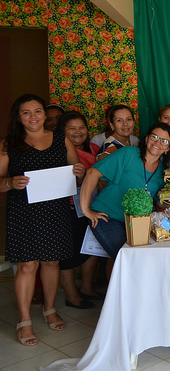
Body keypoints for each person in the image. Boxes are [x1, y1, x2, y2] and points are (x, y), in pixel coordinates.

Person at [1, 94, 86, 345]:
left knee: (51, 262)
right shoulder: (10, 144)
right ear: (18, 117)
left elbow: (76, 169)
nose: (33, 116)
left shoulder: (61, 139)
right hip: (23, 211)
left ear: (44, 114)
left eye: (37, 111)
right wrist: (9, 182)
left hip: (55, 209)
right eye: (26, 112)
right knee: (28, 265)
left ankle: (49, 308)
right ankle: (24, 319)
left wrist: (79, 171)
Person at [80, 123, 170, 266]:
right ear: (147, 139)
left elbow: (159, 201)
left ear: (168, 148)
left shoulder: (162, 171)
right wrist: (86, 210)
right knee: (127, 258)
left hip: (137, 223)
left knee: (136, 258)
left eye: (164, 141)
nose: (158, 142)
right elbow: (92, 173)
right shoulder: (129, 153)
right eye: (154, 137)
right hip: (108, 217)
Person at [57, 111, 104, 309]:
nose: (78, 132)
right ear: (62, 132)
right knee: (67, 250)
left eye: (81, 127)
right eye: (72, 128)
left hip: (93, 205)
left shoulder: (94, 148)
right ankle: (72, 296)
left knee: (91, 246)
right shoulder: (56, 151)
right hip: (67, 207)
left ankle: (86, 287)